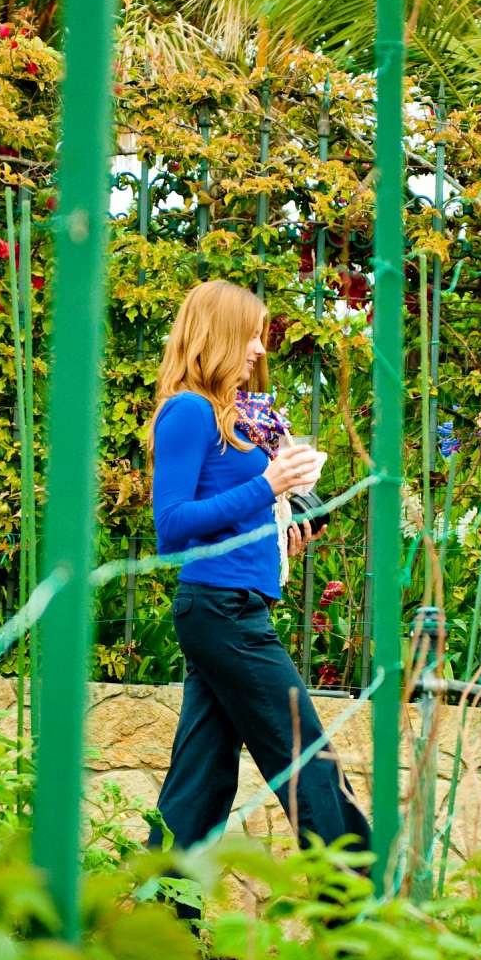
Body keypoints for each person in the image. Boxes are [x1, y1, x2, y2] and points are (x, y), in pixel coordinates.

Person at [150, 279, 372, 901]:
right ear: (219, 334)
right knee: (308, 759)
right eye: (249, 334)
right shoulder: (187, 411)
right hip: (220, 610)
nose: (257, 347)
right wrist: (268, 486)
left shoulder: (231, 417)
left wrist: (283, 527)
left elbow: (231, 513)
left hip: (233, 604)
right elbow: (170, 526)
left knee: (199, 784)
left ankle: (156, 926)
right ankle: (359, 920)